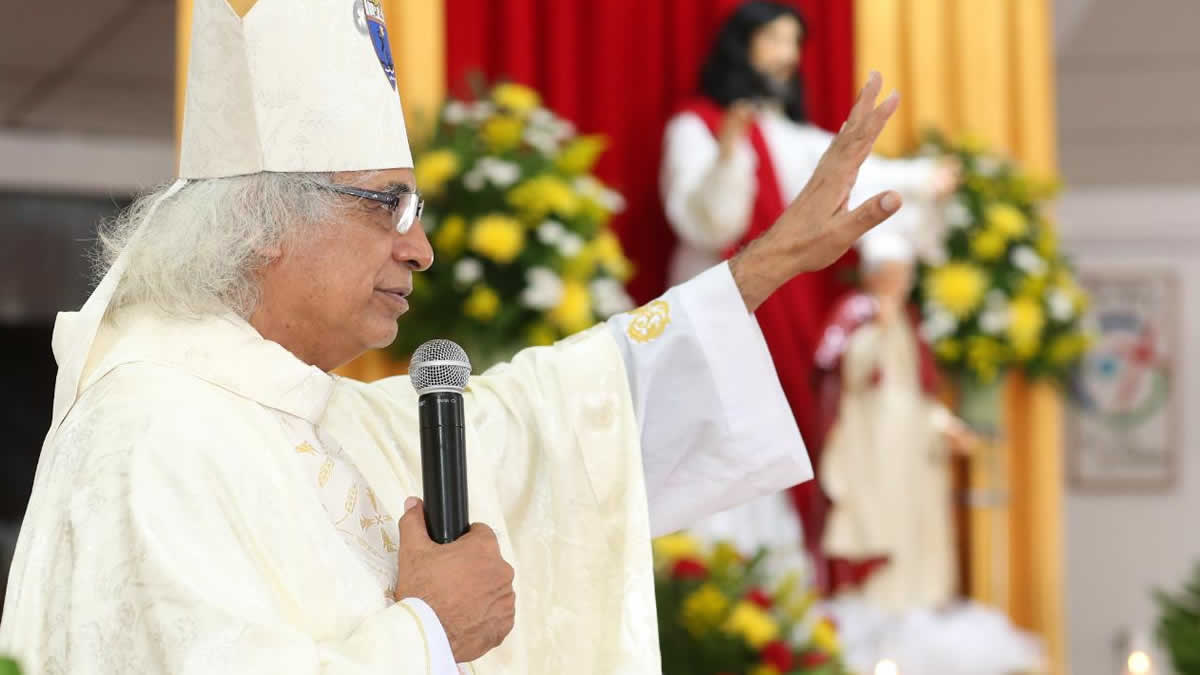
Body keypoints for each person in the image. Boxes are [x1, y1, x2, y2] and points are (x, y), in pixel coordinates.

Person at [0, 1, 909, 673]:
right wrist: (428, 633)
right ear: (262, 219)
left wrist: (759, 270)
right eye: (388, 204)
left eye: (420, 209)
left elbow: (549, 421)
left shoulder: (316, 414)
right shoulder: (150, 432)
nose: (421, 247)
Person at [663, 0, 957, 581]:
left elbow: (852, 176)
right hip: (710, 310)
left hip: (778, 318)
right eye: (773, 40)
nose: (786, 57)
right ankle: (700, 591)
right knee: (711, 446)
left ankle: (771, 600)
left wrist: (924, 177)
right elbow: (708, 224)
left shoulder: (792, 137)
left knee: (770, 447)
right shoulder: (693, 125)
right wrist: (727, 155)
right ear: (741, 47)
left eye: (793, 44)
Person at [814, 227, 976, 611]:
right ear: (872, 275)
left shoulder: (910, 322)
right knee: (875, 523)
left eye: (903, 275)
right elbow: (846, 373)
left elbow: (919, 389)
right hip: (870, 441)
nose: (897, 283)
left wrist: (945, 425)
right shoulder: (856, 314)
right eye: (890, 274)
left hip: (912, 447)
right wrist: (876, 331)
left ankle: (919, 603)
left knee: (917, 528)